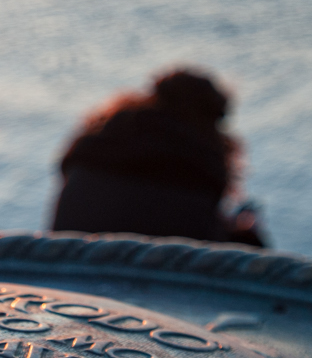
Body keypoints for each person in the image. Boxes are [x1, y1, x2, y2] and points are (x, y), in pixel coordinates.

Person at [49, 69, 265, 247]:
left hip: (64, 263)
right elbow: (199, 248)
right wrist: (247, 236)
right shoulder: (199, 166)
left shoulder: (98, 139)